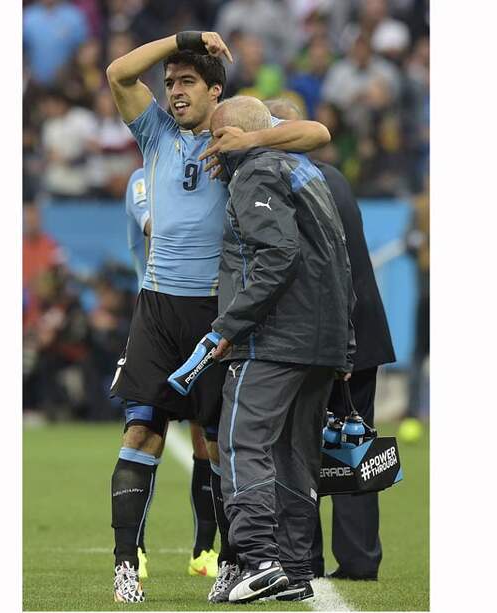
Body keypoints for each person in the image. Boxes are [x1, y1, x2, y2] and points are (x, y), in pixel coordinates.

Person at [104, 31, 331, 603]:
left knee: (217, 441)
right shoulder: (154, 135)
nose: (174, 93)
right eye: (170, 84)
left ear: (214, 91)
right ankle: (125, 561)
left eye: (186, 83)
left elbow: (317, 133)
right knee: (142, 431)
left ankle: (230, 558)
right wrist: (182, 41)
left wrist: (251, 136)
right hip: (157, 304)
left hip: (216, 307)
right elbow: (117, 74)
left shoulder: (233, 136)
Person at [204, 96, 355, 604]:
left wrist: (228, 324)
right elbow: (339, 261)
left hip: (272, 340)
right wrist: (345, 347)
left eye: (213, 138)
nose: (209, 150)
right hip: (321, 342)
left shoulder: (257, 174)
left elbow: (278, 255)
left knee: (242, 443)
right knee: (294, 456)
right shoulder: (305, 171)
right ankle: (292, 566)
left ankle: (260, 558)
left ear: (230, 136)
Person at [266, 98, 397, 581]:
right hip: (361, 333)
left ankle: (306, 558)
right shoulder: (332, 177)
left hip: (332, 336)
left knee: (304, 446)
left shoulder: (294, 182)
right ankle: (360, 558)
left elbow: (322, 271)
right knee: (352, 445)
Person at [118, 167, 220, 580]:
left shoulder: (213, 174)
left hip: (203, 315)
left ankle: (204, 550)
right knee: (143, 429)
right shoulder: (144, 178)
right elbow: (157, 228)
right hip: (157, 319)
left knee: (206, 438)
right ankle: (134, 549)